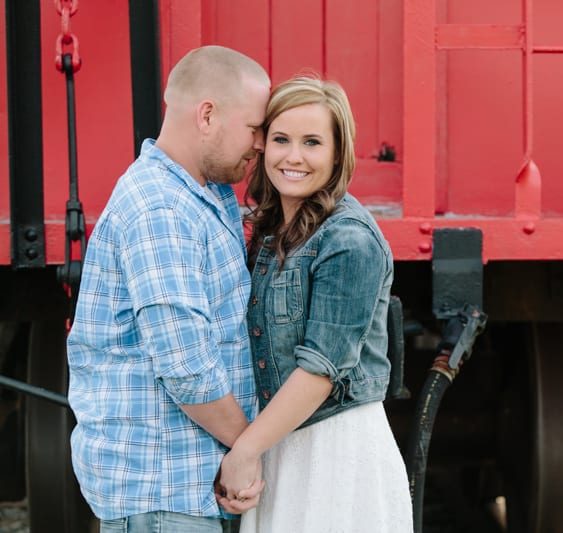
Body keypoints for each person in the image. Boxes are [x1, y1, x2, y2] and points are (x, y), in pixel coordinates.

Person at [66, 45, 271, 532]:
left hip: (181, 486)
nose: (261, 144)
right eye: (253, 128)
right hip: (162, 490)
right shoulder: (162, 209)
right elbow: (187, 369)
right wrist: (249, 450)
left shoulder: (203, 192)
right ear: (207, 115)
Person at [215, 76, 413, 532]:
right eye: (282, 139)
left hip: (335, 450)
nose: (294, 156)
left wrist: (244, 451)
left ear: (338, 154)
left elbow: (321, 369)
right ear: (262, 146)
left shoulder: (349, 240)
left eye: (312, 142)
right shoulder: (269, 230)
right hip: (283, 439)